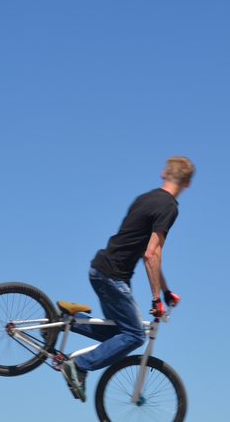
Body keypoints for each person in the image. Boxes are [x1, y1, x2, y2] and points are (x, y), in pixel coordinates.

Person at [61, 156, 194, 402]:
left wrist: (165, 291)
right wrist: (156, 300)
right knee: (134, 336)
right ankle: (78, 365)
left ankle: (64, 320)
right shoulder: (169, 207)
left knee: (118, 336)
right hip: (112, 277)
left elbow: (147, 253)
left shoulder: (145, 198)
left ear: (164, 174)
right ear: (187, 183)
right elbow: (151, 254)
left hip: (101, 270)